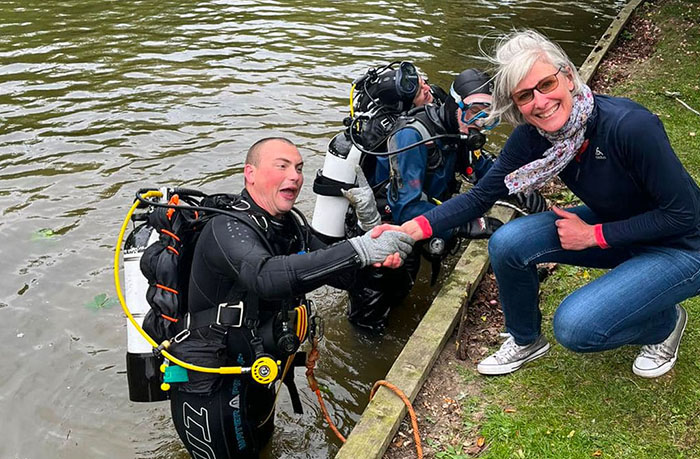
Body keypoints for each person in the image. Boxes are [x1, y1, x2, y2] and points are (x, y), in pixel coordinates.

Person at [374, 30, 700, 378]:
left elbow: (685, 215)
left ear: (569, 78)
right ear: (516, 105)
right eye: (525, 95)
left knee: (577, 328)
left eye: (546, 84)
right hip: (623, 227)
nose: (540, 102)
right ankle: (526, 340)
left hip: (683, 245)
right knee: (507, 243)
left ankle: (664, 323)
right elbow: (482, 196)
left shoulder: (630, 126)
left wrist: (595, 235)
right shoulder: (536, 135)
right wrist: (408, 229)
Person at [168, 137, 414, 458]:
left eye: (298, 168)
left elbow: (345, 277)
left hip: (258, 371)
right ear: (250, 173)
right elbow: (265, 276)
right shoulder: (226, 229)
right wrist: (360, 249)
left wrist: (375, 243)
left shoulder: (289, 226)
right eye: (281, 166)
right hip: (212, 383)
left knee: (262, 446)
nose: (295, 176)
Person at [344, 67, 545, 329]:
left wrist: (518, 187)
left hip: (426, 222)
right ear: (455, 105)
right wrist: (466, 224)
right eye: (476, 111)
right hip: (387, 230)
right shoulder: (412, 137)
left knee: (407, 288)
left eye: (489, 116)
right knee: (375, 312)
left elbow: (482, 170)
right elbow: (407, 207)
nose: (481, 121)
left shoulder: (457, 130)